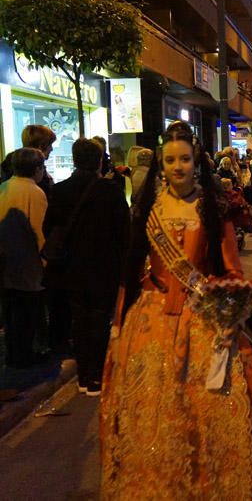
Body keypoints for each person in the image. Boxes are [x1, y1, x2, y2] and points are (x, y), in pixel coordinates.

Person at [100, 122, 252, 499]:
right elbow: (130, 267)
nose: (177, 167)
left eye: (184, 159)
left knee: (214, 402)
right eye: (170, 160)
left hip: (204, 316)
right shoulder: (148, 210)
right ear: (160, 162)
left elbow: (231, 268)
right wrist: (120, 321)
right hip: (151, 320)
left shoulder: (211, 210)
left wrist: (228, 309)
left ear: (196, 162)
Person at [43, 138, 130, 395]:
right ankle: (96, 377)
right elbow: (124, 231)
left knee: (79, 321)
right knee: (100, 319)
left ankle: (83, 377)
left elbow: (49, 228)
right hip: (104, 267)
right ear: (100, 160)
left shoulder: (59, 191)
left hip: (72, 268)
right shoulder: (111, 191)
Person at [0, 148, 48, 368]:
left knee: (11, 313)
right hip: (27, 263)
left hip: (6, 262)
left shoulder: (5, 187)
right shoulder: (34, 192)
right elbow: (39, 231)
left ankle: (13, 354)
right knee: (26, 314)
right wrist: (46, 262)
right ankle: (24, 356)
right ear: (37, 168)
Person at [21, 124, 56, 197]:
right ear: (41, 146)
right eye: (50, 145)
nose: (51, 149)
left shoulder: (15, 171)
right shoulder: (35, 175)